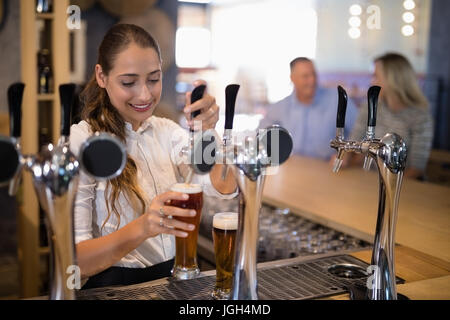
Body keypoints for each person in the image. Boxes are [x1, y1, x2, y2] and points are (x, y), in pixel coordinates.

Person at [69, 24, 237, 289]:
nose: (145, 94)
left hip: (171, 283)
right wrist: (144, 226)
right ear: (101, 76)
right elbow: (76, 263)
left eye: (153, 79)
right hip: (113, 288)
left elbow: (224, 188)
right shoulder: (84, 139)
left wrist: (208, 131)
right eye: (129, 82)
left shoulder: (167, 131)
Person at [349, 53, 434, 179]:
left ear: (392, 79)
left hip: (402, 188)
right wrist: (346, 157)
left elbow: (416, 169)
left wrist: (386, 187)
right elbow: (354, 143)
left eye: (375, 76)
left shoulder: (420, 116)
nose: (372, 81)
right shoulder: (369, 107)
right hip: (367, 181)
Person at [259, 57, 358, 161]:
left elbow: (360, 131)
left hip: (329, 168)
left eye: (314, 74)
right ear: (292, 78)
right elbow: (262, 137)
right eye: (305, 76)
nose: (312, 80)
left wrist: (348, 154)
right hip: (293, 168)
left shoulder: (338, 100)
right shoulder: (280, 107)